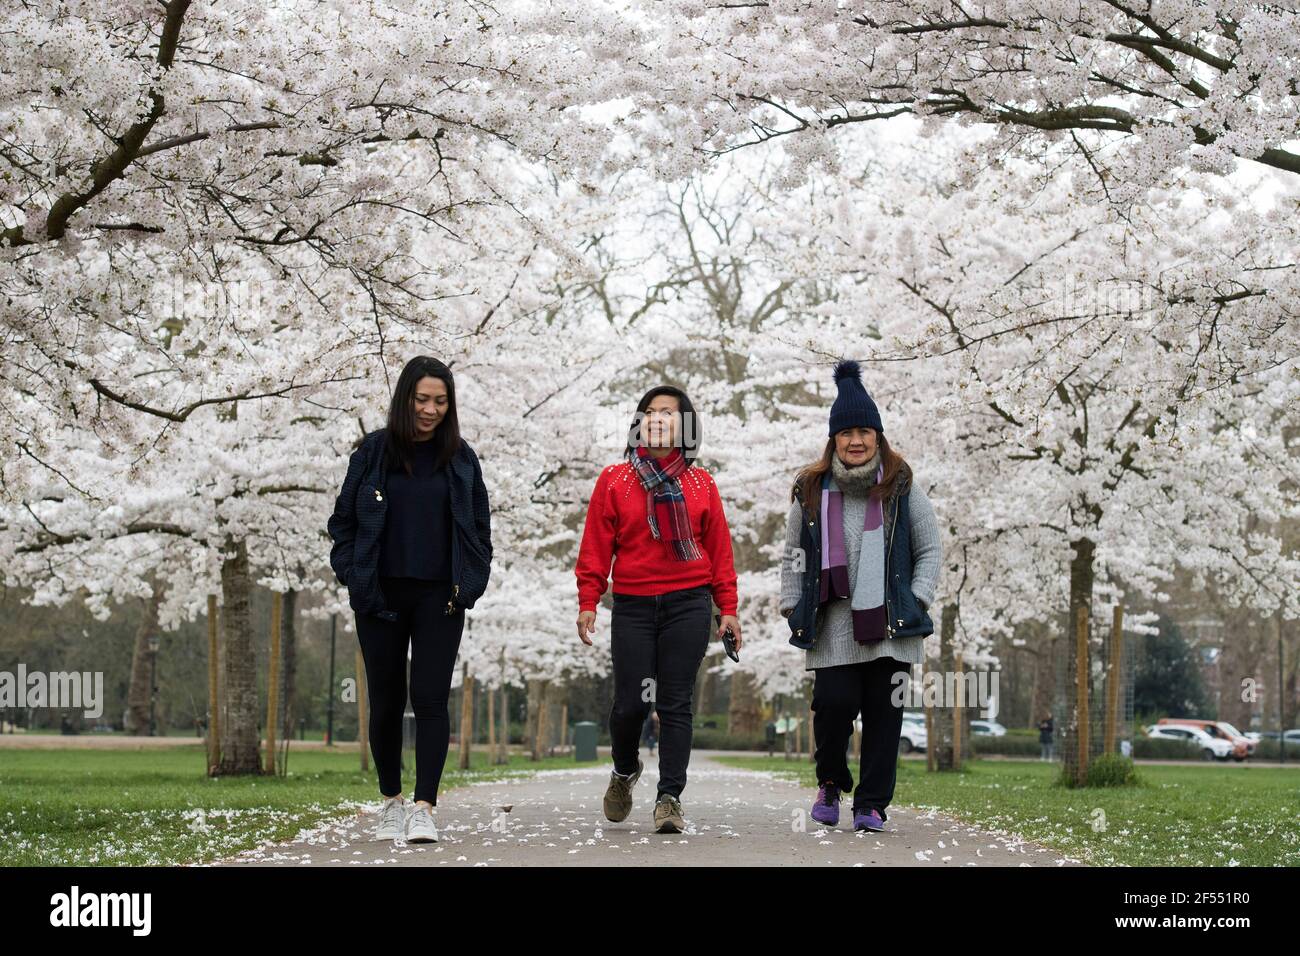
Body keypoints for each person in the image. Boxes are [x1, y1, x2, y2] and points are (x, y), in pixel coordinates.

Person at [327, 356, 492, 843]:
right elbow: (343, 524)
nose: (431, 409)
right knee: (385, 700)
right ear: (405, 398)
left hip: (441, 596)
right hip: (380, 594)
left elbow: (479, 530)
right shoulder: (373, 454)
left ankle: (425, 806)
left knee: (431, 698)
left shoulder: (461, 459)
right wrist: (354, 577)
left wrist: (470, 583)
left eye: (440, 401)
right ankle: (391, 802)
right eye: (422, 399)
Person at [780, 360, 942, 833]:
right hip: (833, 626)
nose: (856, 440)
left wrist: (917, 600)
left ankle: (871, 803)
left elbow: (930, 549)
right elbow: (794, 552)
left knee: (884, 717)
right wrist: (792, 603)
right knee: (831, 706)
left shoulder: (902, 486)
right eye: (846, 432)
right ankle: (830, 781)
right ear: (833, 439)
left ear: (878, 436)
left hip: (890, 627)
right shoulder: (810, 489)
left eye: (864, 431)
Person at [575, 385, 740, 834]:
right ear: (639, 422)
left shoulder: (702, 483)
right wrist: (588, 599)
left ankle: (669, 798)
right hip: (631, 605)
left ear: (686, 425)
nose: (658, 418)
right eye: (650, 412)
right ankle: (624, 771)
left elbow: (719, 550)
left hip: (688, 601)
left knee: (675, 702)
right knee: (630, 703)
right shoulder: (615, 479)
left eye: (669, 412)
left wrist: (728, 608)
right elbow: (595, 546)